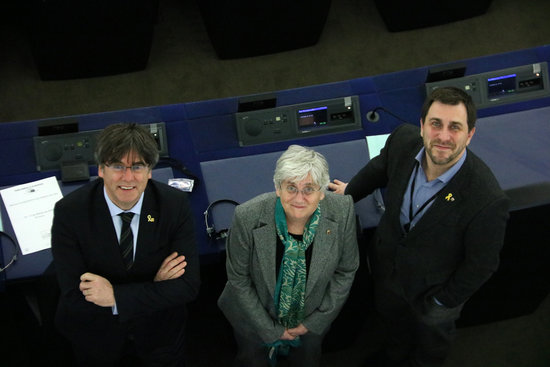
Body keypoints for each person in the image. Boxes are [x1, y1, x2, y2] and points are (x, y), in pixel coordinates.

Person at [329, 87, 509, 367]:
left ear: (470, 134)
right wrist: (350, 191)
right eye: (436, 124)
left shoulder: (486, 199)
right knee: (393, 327)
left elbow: (482, 264)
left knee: (430, 343)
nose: (443, 136)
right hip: (388, 272)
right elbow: (379, 168)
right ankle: (394, 356)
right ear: (422, 126)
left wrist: (441, 302)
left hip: (434, 293)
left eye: (455, 127)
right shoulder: (403, 140)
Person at [51, 123, 200, 367]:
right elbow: (74, 296)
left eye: (138, 166)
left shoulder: (173, 205)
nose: (128, 178)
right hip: (97, 337)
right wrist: (155, 286)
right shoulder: (71, 212)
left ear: (150, 171)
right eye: (118, 166)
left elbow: (187, 286)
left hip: (159, 335)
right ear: (101, 169)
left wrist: (115, 297)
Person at [218, 145, 359, 367]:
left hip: (310, 320)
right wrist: (269, 329)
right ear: (277, 188)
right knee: (252, 360)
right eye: (291, 187)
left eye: (309, 189)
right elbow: (239, 279)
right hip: (253, 318)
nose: (299, 198)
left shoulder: (343, 211)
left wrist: (313, 322)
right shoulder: (247, 216)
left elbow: (346, 270)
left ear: (322, 192)